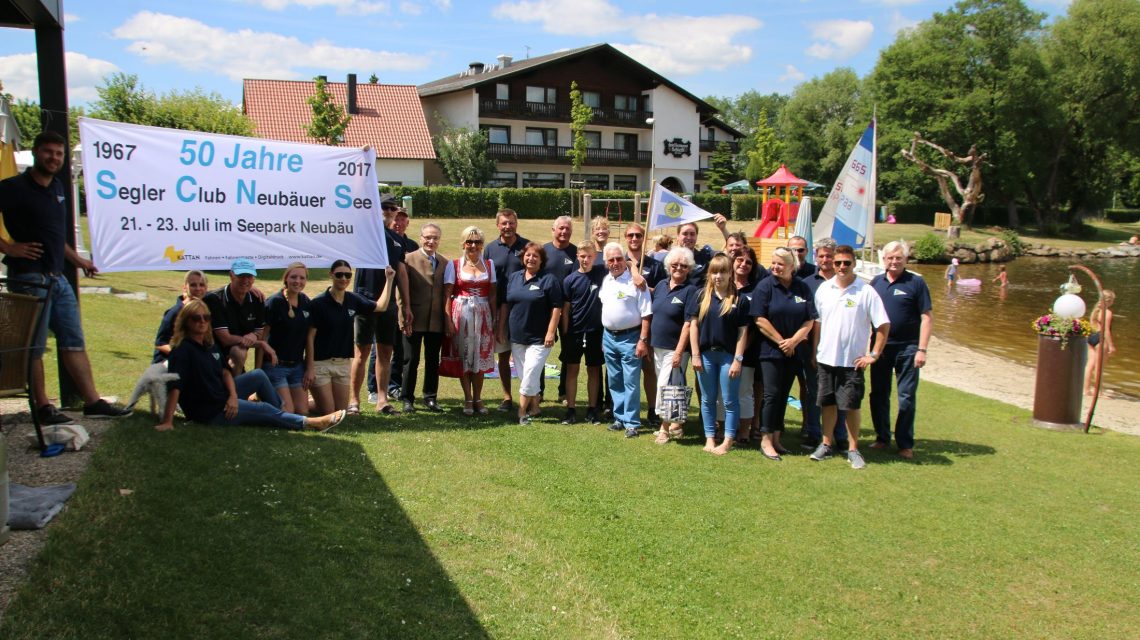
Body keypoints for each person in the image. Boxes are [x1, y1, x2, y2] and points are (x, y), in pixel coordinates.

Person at [0, 131, 131, 423]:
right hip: (29, 279)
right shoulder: (13, 188)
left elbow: (55, 239)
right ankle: (44, 406)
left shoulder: (57, 188)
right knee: (34, 347)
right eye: (48, 152)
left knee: (74, 340)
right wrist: (9, 247)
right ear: (35, 152)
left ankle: (93, 402)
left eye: (59, 154)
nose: (54, 158)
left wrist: (80, 261)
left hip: (57, 278)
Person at [157, 299, 345, 432]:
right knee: (264, 410)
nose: (202, 322)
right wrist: (167, 421)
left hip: (222, 397)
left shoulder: (209, 345)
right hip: (210, 411)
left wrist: (231, 396)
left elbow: (225, 373)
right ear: (185, 321)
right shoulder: (182, 350)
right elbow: (175, 386)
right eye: (196, 318)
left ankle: (280, 414)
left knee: (258, 375)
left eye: (206, 318)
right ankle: (309, 423)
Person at [810, 245, 890, 470]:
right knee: (827, 403)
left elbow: (883, 325)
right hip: (826, 358)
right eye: (838, 263)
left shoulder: (865, 291)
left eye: (846, 263)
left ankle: (853, 449)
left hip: (852, 362)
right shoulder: (824, 289)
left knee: (851, 406)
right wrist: (815, 350)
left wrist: (873, 355)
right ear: (832, 264)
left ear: (854, 263)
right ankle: (826, 444)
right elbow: (819, 323)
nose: (842, 267)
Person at [752, 247, 818, 461]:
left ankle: (777, 438)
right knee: (771, 394)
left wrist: (794, 341)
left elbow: (810, 319)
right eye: (773, 262)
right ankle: (765, 439)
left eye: (780, 263)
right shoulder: (765, 286)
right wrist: (782, 341)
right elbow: (760, 319)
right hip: (770, 351)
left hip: (793, 352)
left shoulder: (802, 287)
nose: (775, 267)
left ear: (792, 266)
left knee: (782, 395)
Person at [869, 241, 932, 459]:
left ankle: (905, 442)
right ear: (884, 259)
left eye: (898, 258)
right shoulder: (876, 283)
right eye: (890, 258)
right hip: (880, 348)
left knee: (905, 397)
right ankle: (882, 437)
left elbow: (926, 318)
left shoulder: (916, 282)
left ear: (906, 259)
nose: (894, 261)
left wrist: (922, 349)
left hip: (908, 347)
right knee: (878, 394)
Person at [308, 260, 394, 416]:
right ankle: (297, 402)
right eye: (339, 274)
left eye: (347, 275)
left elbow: (381, 306)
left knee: (340, 412)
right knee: (329, 412)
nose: (343, 279)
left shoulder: (353, 299)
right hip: (321, 364)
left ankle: (313, 399)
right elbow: (309, 338)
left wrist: (389, 280)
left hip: (342, 365)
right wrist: (309, 366)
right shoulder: (318, 303)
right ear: (331, 275)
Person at [350, 197, 411, 414]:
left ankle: (382, 400)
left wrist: (406, 306)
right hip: (365, 299)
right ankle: (354, 401)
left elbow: (401, 272)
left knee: (386, 351)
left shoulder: (398, 239)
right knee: (362, 352)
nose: (389, 211)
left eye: (393, 208)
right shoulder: (367, 231)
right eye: (385, 207)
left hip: (389, 303)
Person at [688, 254, 750, 455]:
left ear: (730, 273)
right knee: (707, 399)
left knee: (730, 400)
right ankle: (710, 438)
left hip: (728, 357)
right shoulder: (701, 297)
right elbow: (693, 326)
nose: (718, 276)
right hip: (705, 356)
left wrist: (738, 360)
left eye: (723, 271)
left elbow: (743, 332)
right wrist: (695, 355)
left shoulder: (740, 300)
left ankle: (728, 440)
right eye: (714, 272)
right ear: (709, 274)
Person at [503, 243, 563, 425]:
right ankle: (535, 406)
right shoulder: (513, 278)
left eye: (535, 256)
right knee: (526, 374)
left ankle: (521, 412)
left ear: (541, 260)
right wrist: (501, 329)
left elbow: (557, 307)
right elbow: (507, 304)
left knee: (530, 373)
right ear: (523, 258)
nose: (531, 259)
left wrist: (551, 332)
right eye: (528, 255)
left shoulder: (549, 280)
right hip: (517, 336)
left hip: (540, 338)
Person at [798, 238, 848, 451]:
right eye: (822, 256)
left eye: (830, 256)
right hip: (814, 348)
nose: (825, 260)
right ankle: (813, 432)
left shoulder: (846, 282)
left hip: (841, 348)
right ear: (815, 257)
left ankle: (840, 434)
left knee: (841, 392)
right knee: (814, 391)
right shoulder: (808, 283)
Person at [598, 242, 652, 438]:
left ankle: (632, 423)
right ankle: (619, 418)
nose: (615, 263)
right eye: (611, 260)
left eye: (619, 259)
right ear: (606, 263)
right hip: (609, 337)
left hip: (631, 337)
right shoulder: (606, 280)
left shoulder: (637, 282)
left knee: (630, 381)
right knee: (615, 380)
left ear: (625, 260)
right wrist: (606, 337)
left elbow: (646, 314)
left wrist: (643, 340)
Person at [444, 226, 498, 415]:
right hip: (462, 313)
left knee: (480, 357)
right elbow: (448, 295)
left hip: (483, 314)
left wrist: (494, 319)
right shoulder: (455, 265)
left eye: (477, 242)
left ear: (482, 245)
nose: (473, 245)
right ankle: (468, 398)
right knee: (464, 357)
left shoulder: (490, 265)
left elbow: (492, 295)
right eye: (469, 241)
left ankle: (478, 398)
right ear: (463, 243)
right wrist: (449, 321)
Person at [649, 247, 697, 444]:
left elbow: (688, 323)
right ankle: (677, 423)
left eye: (683, 266)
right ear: (668, 265)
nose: (678, 268)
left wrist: (678, 351)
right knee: (673, 386)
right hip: (657, 346)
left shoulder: (690, 290)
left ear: (689, 269)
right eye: (675, 264)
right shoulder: (660, 285)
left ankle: (664, 428)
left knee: (665, 386)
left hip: (675, 349)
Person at [397, 223, 447, 413]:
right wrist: (403, 318)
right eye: (427, 237)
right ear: (420, 238)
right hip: (413, 319)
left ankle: (430, 397)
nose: (431, 241)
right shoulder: (408, 259)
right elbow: (400, 292)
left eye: (435, 238)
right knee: (411, 360)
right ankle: (407, 398)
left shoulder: (444, 262)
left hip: (436, 321)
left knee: (433, 360)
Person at [484, 208, 529, 412]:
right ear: (498, 225)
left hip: (523, 308)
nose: (508, 227)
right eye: (504, 223)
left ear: (516, 224)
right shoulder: (490, 249)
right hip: (499, 309)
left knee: (526, 354)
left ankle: (528, 396)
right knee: (503, 354)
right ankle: (507, 397)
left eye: (511, 222)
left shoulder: (527, 246)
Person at [203, 259, 275, 376]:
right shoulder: (214, 299)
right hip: (213, 354)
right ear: (231, 275)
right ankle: (235, 390)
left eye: (249, 276)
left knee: (240, 352)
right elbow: (225, 339)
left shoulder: (257, 299)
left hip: (236, 356)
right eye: (241, 275)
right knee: (239, 352)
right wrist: (260, 343)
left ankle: (237, 389)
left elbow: (259, 333)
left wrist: (254, 335)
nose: (245, 280)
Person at [560, 244, 605, 424]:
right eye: (582, 256)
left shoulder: (602, 275)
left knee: (594, 370)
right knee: (572, 370)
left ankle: (592, 409)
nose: (585, 259)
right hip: (574, 332)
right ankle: (571, 409)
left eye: (589, 256)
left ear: (595, 257)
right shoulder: (570, 280)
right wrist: (565, 332)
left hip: (595, 332)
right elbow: (565, 308)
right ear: (577, 256)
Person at [262, 263, 313, 415]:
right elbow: (262, 339)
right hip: (275, 367)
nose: (298, 281)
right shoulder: (274, 302)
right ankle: (261, 396)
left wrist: (309, 368)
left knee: (302, 411)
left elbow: (309, 338)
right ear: (286, 278)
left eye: (302, 278)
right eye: (293, 277)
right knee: (288, 412)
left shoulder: (305, 302)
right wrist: (259, 373)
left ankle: (270, 398)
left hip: (297, 367)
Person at [722, 248, 760, 445]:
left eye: (748, 262)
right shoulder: (722, 287)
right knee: (723, 393)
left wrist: (740, 351)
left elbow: (753, 326)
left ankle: (744, 432)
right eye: (739, 260)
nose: (743, 264)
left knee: (744, 392)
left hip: (747, 352)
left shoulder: (757, 290)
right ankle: (722, 430)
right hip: (721, 351)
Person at [387, 206, 419, 400]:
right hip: (388, 300)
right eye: (396, 219)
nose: (399, 223)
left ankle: (395, 385)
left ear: (408, 223)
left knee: (401, 347)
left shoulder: (413, 245)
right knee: (385, 347)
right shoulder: (384, 240)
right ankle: (377, 387)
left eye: (403, 220)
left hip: (406, 302)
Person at [154, 270, 209, 364]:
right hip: (168, 363)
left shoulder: (205, 310)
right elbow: (160, 344)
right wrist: (185, 355)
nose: (198, 288)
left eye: (201, 285)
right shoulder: (174, 312)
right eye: (193, 285)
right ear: (185, 288)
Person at [676, 215, 730, 285]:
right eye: (685, 234)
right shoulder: (670, 259)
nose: (689, 237)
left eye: (692, 234)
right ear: (678, 236)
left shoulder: (705, 256)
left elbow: (730, 251)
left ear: (696, 236)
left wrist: (723, 229)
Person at [1084, 290, 1116, 396]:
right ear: (1109, 301)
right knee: (1099, 367)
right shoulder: (1107, 313)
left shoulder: (1096, 311)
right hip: (1101, 339)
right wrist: (1111, 345)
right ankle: (1099, 392)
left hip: (1091, 337)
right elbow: (1106, 330)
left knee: (1090, 365)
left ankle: (1086, 390)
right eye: (1112, 300)